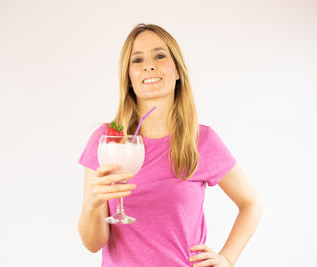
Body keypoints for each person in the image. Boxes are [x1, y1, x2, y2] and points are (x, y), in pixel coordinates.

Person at [77, 23, 262, 267]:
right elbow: (93, 244)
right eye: (137, 60)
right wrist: (93, 205)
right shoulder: (109, 140)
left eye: (160, 55)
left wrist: (227, 258)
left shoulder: (202, 141)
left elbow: (251, 203)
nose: (149, 65)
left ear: (177, 70)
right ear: (129, 78)